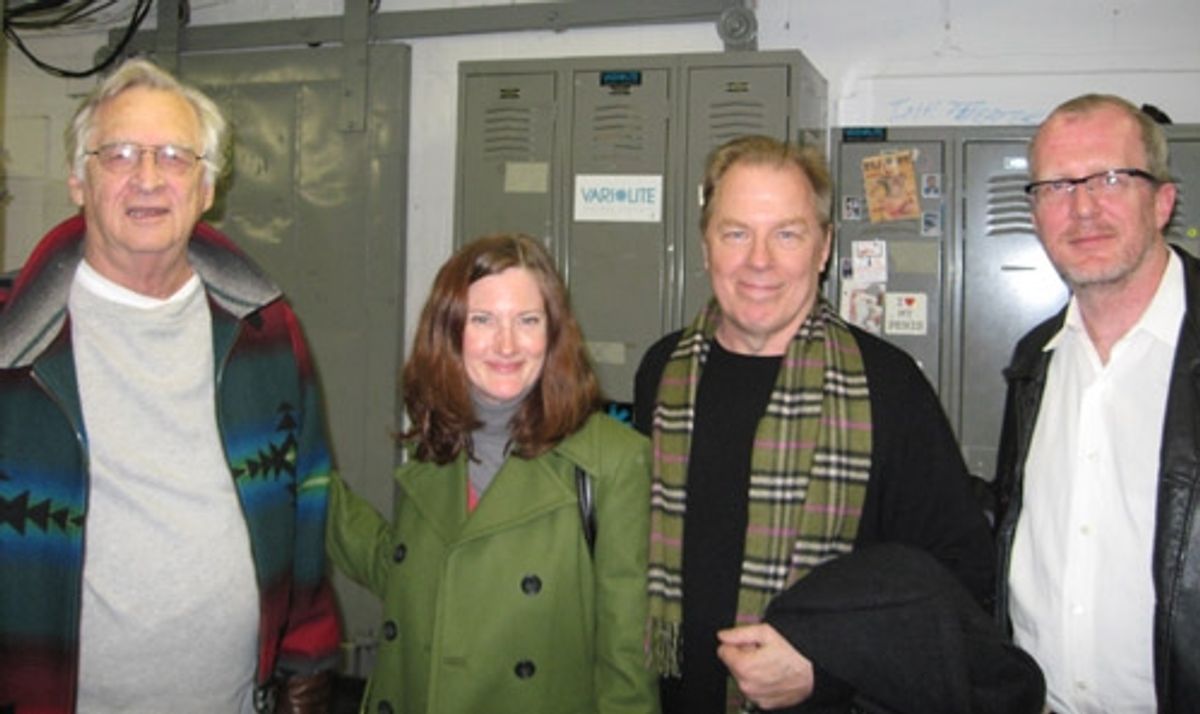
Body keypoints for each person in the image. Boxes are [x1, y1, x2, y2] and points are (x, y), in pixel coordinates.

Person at [0, 58, 340, 712]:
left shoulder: (264, 326)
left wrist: (308, 653)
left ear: (208, 186)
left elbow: (306, 495)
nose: (149, 178)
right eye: (120, 153)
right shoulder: (14, 337)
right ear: (78, 178)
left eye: (176, 157)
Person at [633, 135, 1008, 713]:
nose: (760, 260)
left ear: (824, 247)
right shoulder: (661, 371)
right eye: (736, 233)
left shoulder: (888, 386)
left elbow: (958, 580)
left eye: (787, 233)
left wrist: (824, 664)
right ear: (707, 245)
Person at [327, 234, 659, 714]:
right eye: (483, 320)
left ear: (553, 334)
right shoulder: (437, 445)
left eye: (527, 321)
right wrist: (313, 488)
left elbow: (627, 664)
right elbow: (413, 578)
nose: (506, 344)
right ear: (450, 333)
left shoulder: (613, 462)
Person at [994, 94, 1196, 713]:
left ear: (1162, 201)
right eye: (1055, 187)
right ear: (1034, 213)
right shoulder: (1036, 361)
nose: (1082, 208)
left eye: (1110, 178)